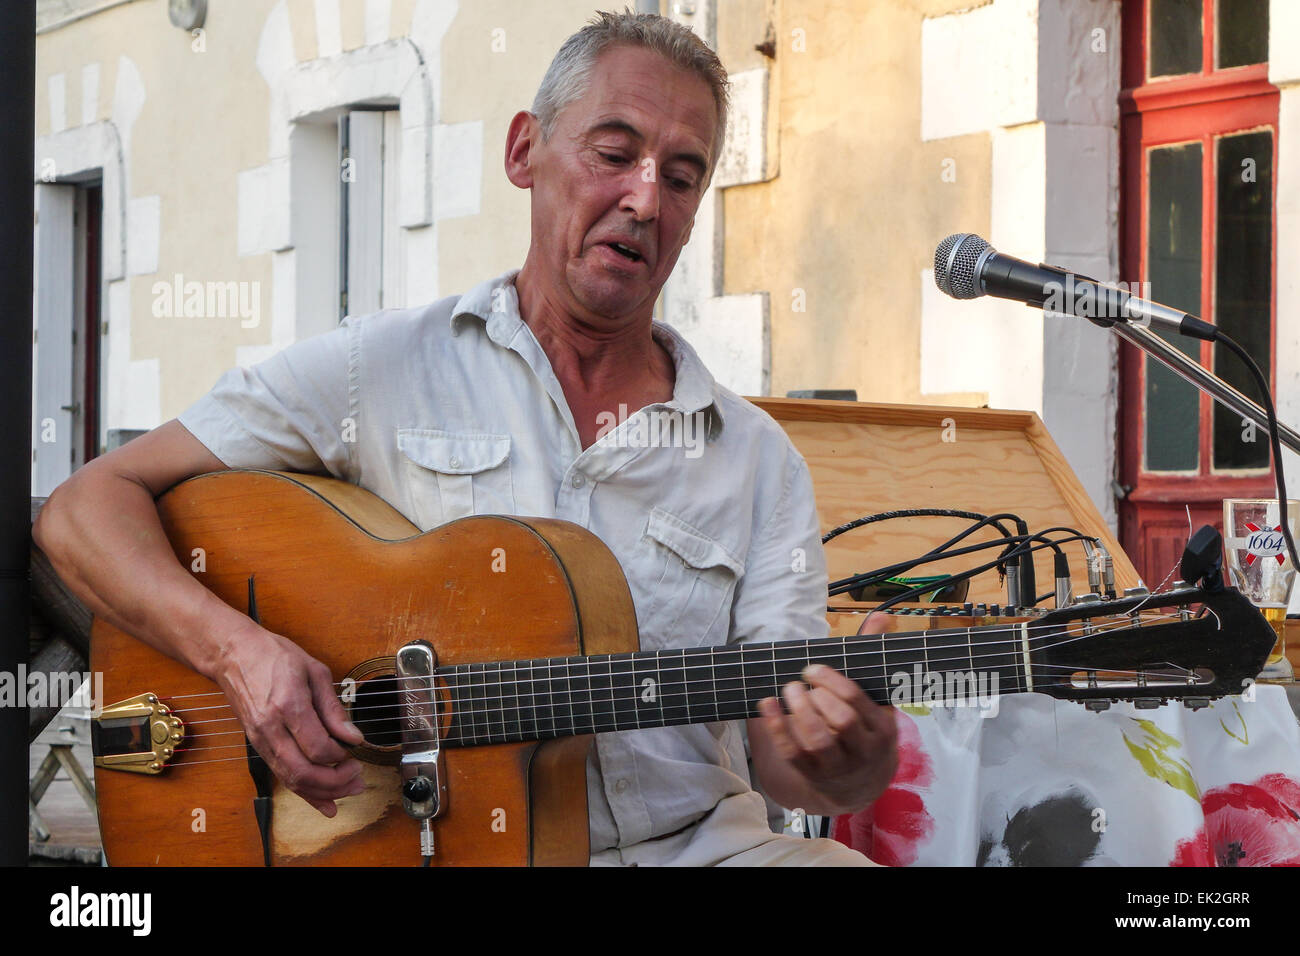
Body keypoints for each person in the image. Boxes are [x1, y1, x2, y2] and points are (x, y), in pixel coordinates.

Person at [35, 10, 895, 866]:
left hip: (695, 851)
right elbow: (82, 510)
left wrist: (848, 760)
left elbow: (790, 763)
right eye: (613, 152)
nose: (644, 198)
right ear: (525, 151)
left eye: (681, 176)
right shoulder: (382, 368)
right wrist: (239, 652)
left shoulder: (756, 459)